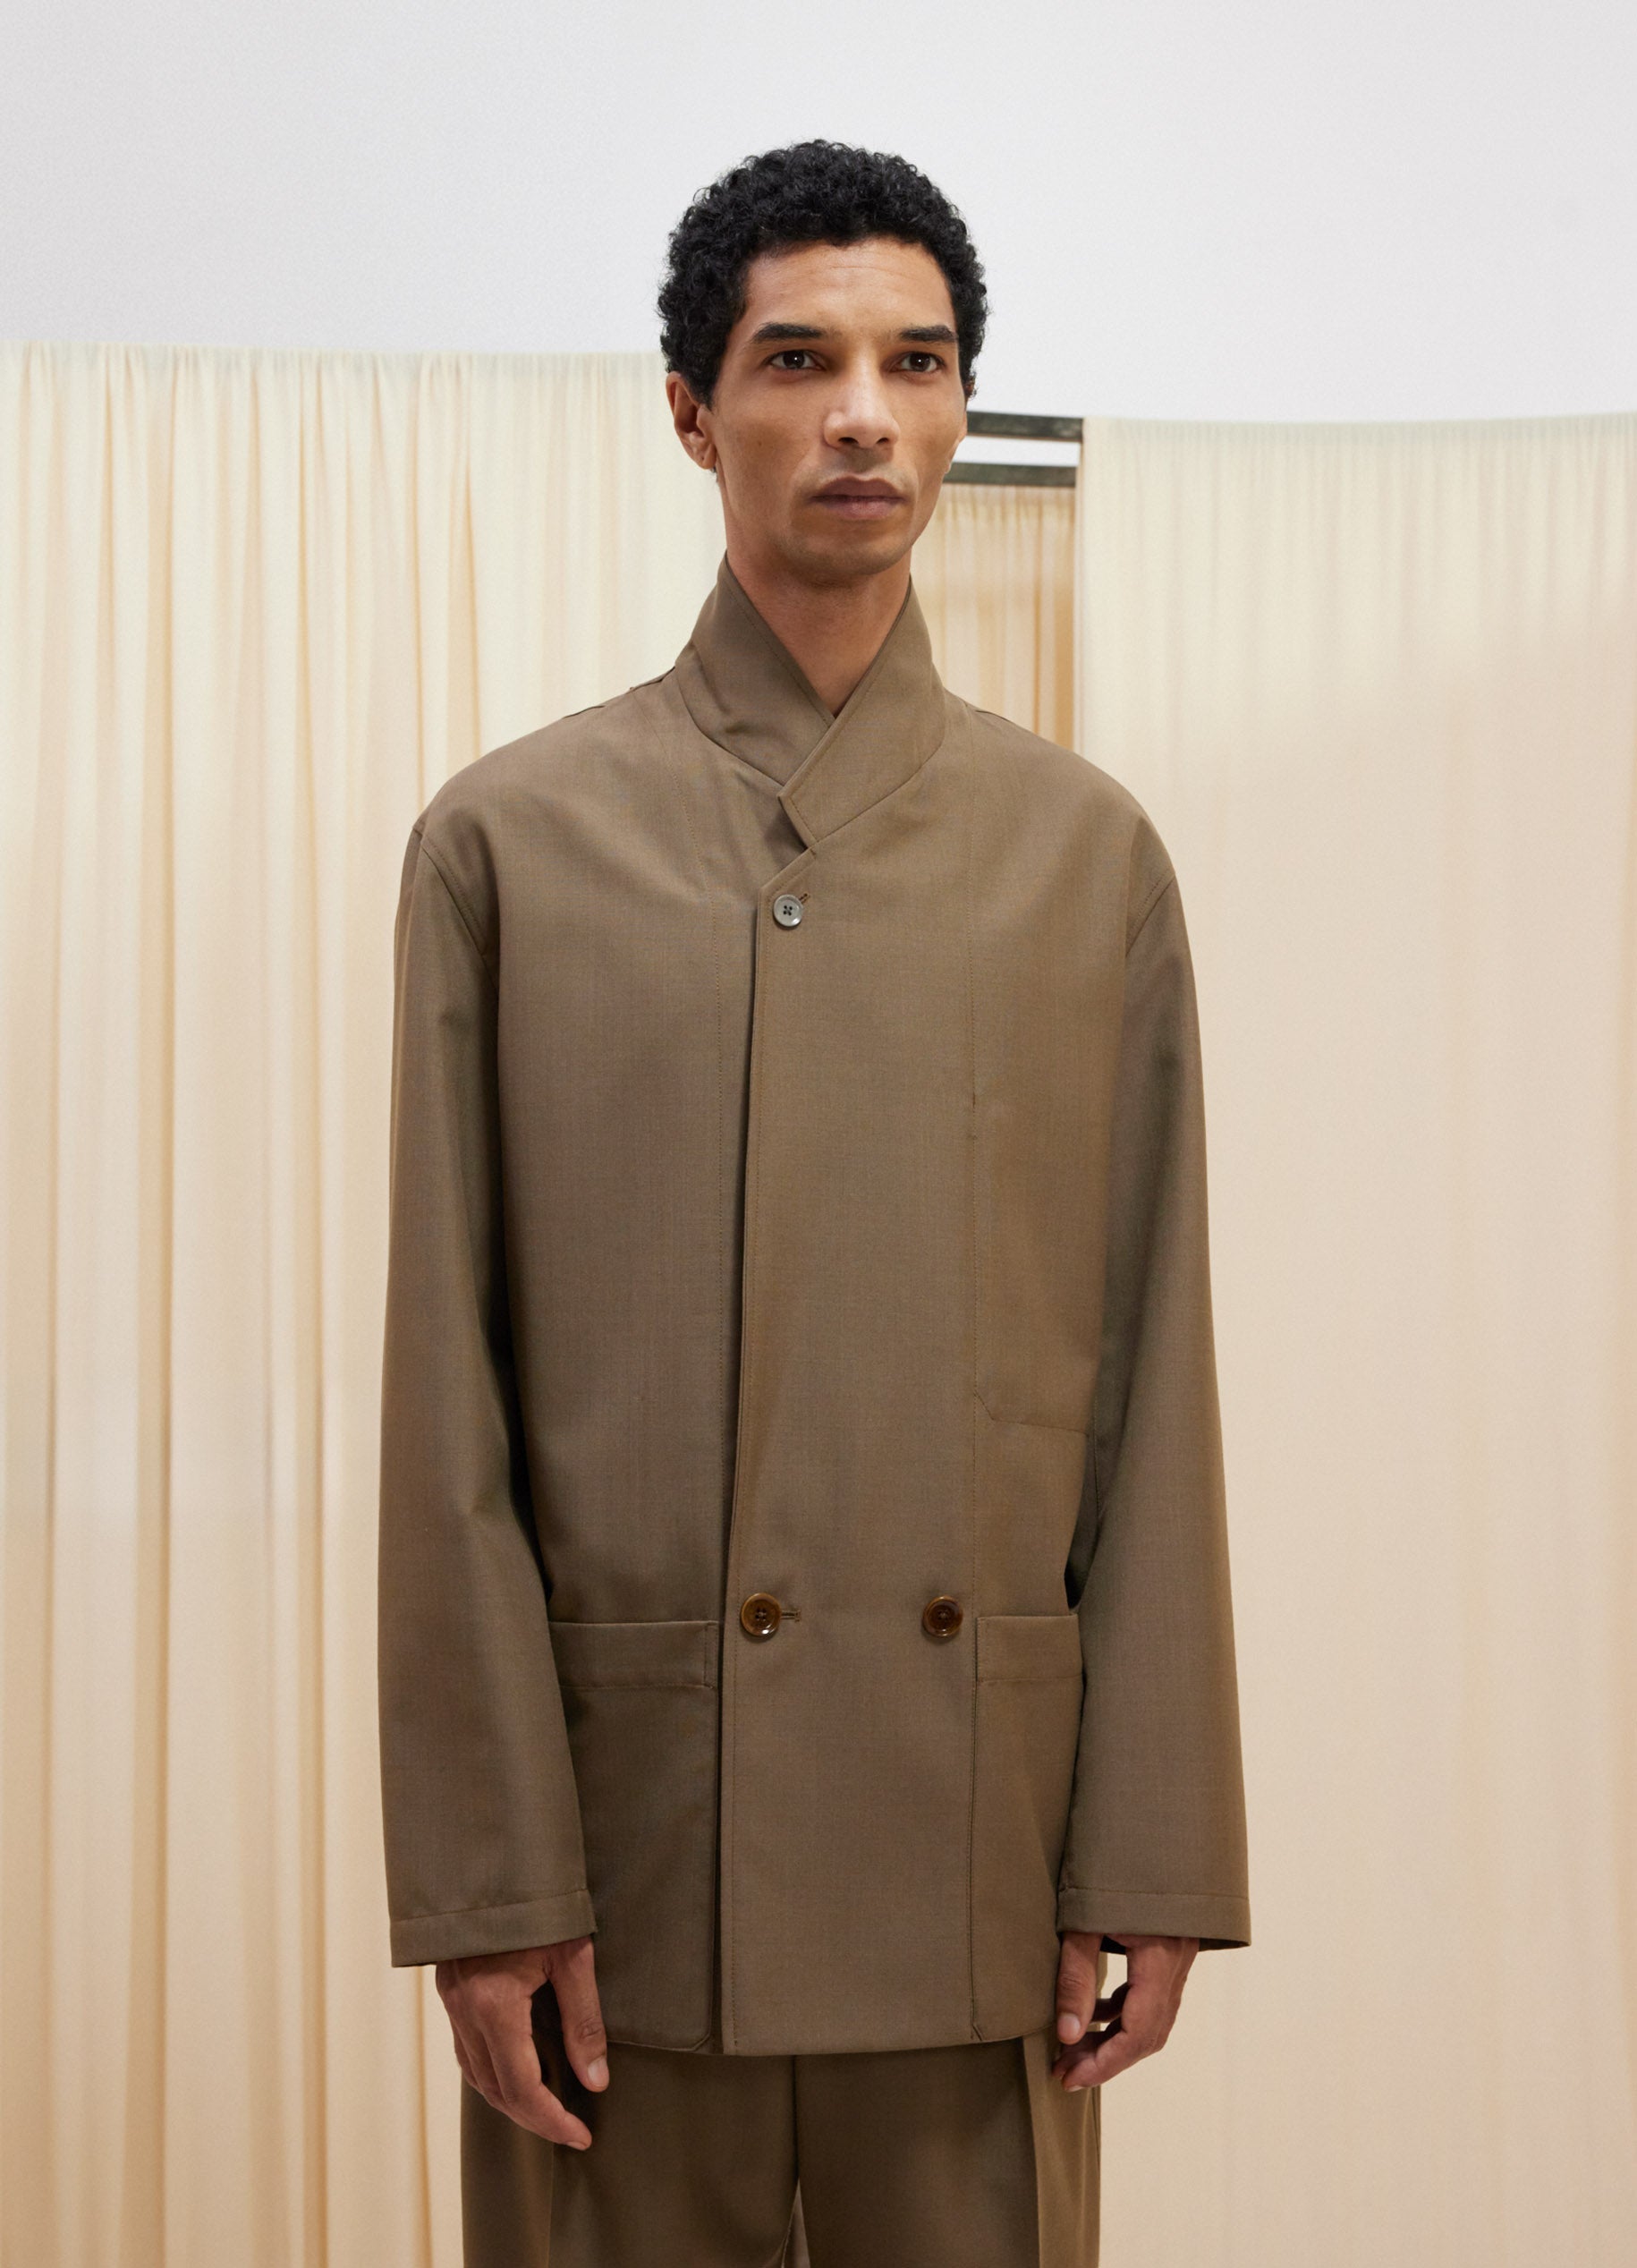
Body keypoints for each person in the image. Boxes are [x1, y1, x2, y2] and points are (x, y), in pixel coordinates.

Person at [377, 139, 1250, 2267]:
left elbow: (1156, 1389)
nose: (864, 411)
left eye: (915, 361)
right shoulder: (511, 844)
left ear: (958, 410)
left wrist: (1149, 1844)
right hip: (623, 1869)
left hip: (974, 1854)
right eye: (800, 359)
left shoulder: (1086, 857)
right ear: (695, 412)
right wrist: (490, 1884)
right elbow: (445, 1416)